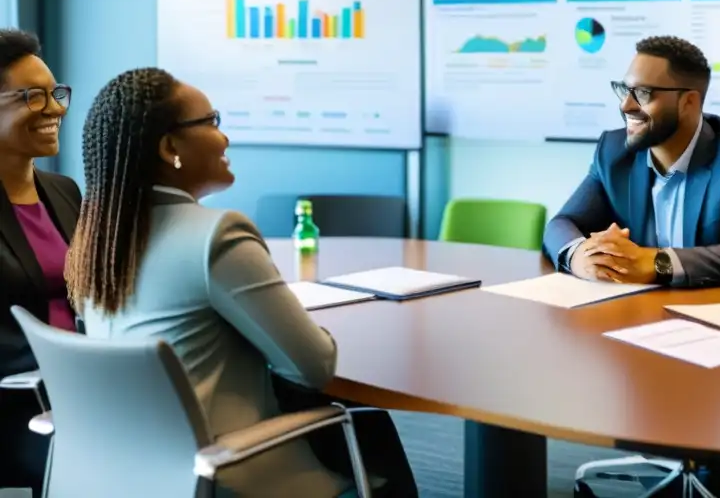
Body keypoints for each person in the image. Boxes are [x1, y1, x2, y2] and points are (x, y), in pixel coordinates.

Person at [66, 68, 417, 497]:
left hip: (132, 473)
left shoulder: (95, 242)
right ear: (170, 146)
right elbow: (312, 367)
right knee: (370, 425)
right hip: (229, 468)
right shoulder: (218, 235)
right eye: (212, 122)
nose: (225, 137)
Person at [544, 35, 720, 289]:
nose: (626, 105)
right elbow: (561, 224)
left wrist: (658, 263)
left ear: (688, 102)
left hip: (706, 311)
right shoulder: (614, 152)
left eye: (643, 93)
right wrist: (580, 255)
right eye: (625, 90)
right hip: (635, 310)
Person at [0, 29, 79, 496]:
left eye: (56, 94)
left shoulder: (64, 191)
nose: (55, 109)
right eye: (33, 97)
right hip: (18, 404)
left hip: (90, 383)